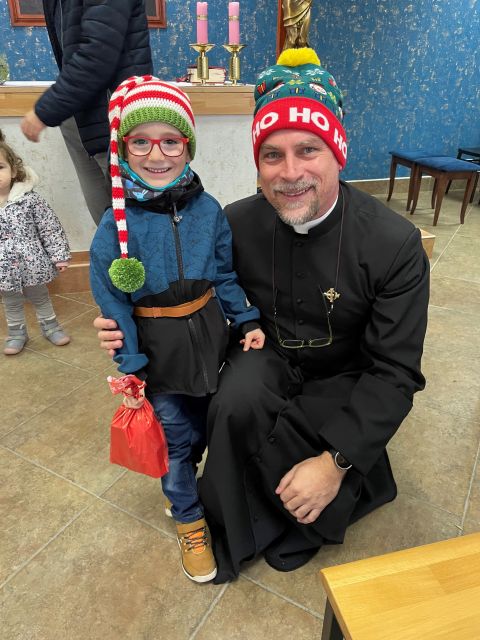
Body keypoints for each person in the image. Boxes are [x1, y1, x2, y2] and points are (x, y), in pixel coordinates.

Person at [94, 49, 429, 584]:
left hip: (347, 374)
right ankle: (230, 514)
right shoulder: (235, 221)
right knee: (233, 401)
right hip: (266, 354)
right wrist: (126, 322)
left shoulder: (396, 244)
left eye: (308, 149)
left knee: (320, 443)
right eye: (272, 155)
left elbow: (396, 372)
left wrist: (334, 464)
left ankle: (324, 490)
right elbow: (190, 289)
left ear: (338, 153)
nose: (290, 173)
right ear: (258, 163)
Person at [89, 76, 265, 584]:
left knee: (208, 428)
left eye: (170, 141)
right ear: (123, 149)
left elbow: (224, 274)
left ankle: (186, 488)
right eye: (140, 142)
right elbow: (113, 302)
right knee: (175, 440)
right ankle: (189, 519)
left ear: (187, 146)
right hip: (158, 355)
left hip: (211, 341)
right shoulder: (114, 226)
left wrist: (246, 319)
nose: (156, 154)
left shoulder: (208, 210)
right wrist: (131, 363)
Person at [20, 0, 153, 225]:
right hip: (83, 115)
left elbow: (98, 54)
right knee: (108, 225)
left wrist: (44, 111)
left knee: (136, 224)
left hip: (116, 116)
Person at [0, 129, 71, 355]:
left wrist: (59, 256)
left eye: (0, 167)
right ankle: (16, 334)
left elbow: (50, 228)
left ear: (13, 170)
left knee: (40, 297)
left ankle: (51, 327)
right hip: (3, 269)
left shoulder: (30, 200)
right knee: (10, 301)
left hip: (32, 263)